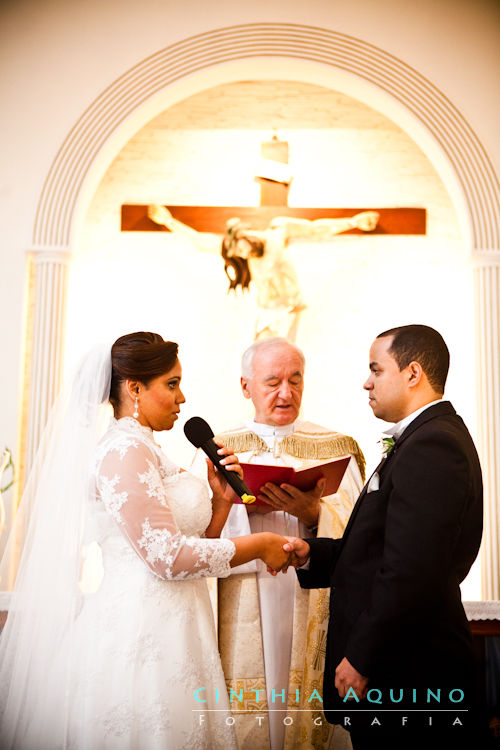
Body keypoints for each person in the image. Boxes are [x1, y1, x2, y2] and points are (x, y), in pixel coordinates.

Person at [0, 332, 294, 750]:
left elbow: (194, 546)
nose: (183, 398)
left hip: (180, 624)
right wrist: (260, 544)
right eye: (171, 384)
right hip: (141, 633)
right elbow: (168, 559)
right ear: (134, 388)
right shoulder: (123, 451)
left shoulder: (149, 450)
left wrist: (222, 501)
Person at [284, 325, 485, 750]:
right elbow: (379, 550)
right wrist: (310, 554)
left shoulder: (433, 446)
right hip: (403, 665)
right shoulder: (421, 438)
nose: (366, 381)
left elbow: (411, 570)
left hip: (409, 672)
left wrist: (362, 656)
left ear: (413, 374)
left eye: (376, 369)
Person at [201, 337, 365, 750]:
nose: (285, 393)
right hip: (242, 590)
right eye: (272, 381)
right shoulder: (218, 449)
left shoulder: (336, 448)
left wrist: (313, 514)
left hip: (309, 592)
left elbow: (362, 536)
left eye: (295, 380)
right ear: (246, 386)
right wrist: (237, 508)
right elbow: (198, 535)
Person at [147, 204, 379, 341]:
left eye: (240, 247)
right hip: (268, 313)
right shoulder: (246, 258)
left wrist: (354, 221)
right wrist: (168, 221)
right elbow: (198, 241)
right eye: (237, 253)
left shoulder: (278, 231)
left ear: (244, 235)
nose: (242, 254)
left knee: (290, 366)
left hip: (292, 308)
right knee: (262, 365)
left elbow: (317, 228)